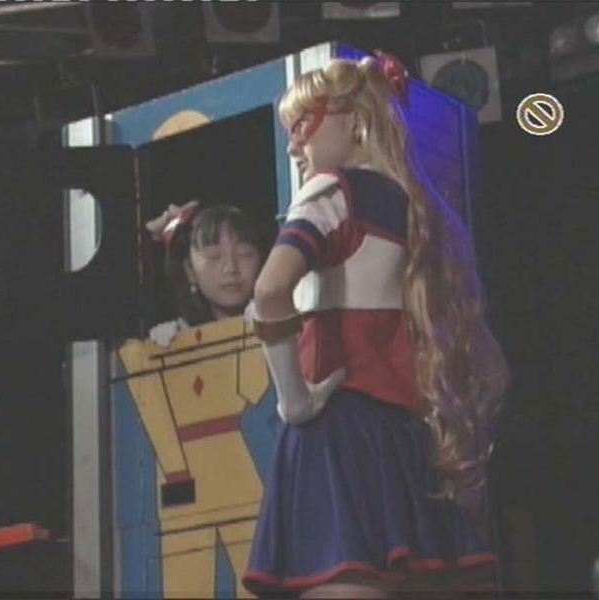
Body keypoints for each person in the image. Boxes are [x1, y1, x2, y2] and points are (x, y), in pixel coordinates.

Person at [241, 51, 511, 599]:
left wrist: (294, 399)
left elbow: (268, 291)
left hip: (336, 435)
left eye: (302, 125)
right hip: (410, 442)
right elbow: (492, 367)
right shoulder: (422, 212)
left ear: (353, 120)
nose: (293, 146)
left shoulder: (331, 190)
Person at [145, 200, 271, 345]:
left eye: (244, 254)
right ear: (190, 269)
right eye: (214, 256)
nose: (230, 268)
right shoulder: (181, 335)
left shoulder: (284, 322)